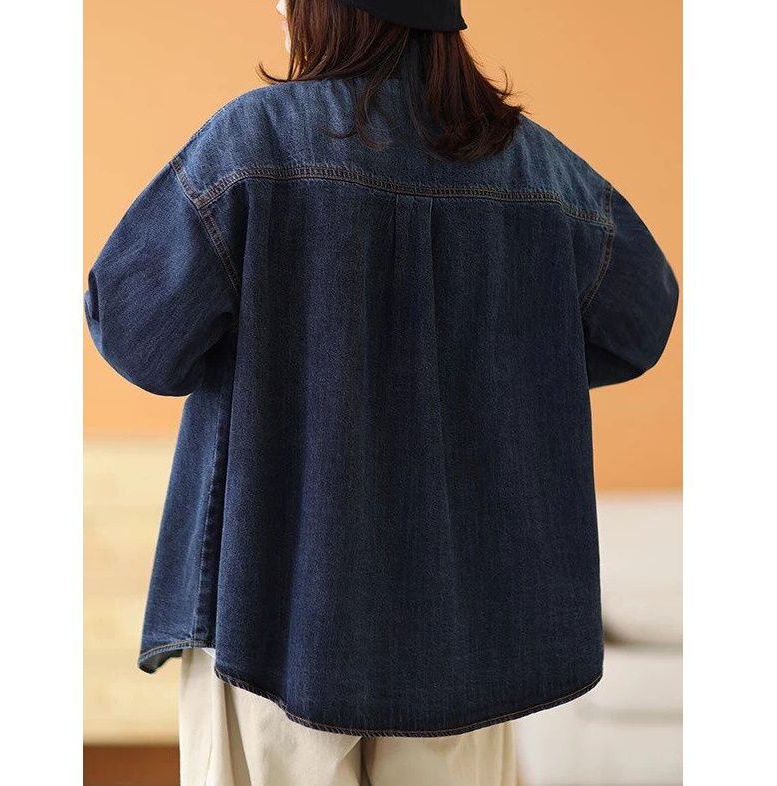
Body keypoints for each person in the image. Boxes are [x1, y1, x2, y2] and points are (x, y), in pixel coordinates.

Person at [84, 0, 679, 783]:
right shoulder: (533, 167)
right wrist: (499, 368)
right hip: (464, 632)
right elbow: (640, 318)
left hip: (271, 615)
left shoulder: (255, 142)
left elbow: (134, 332)